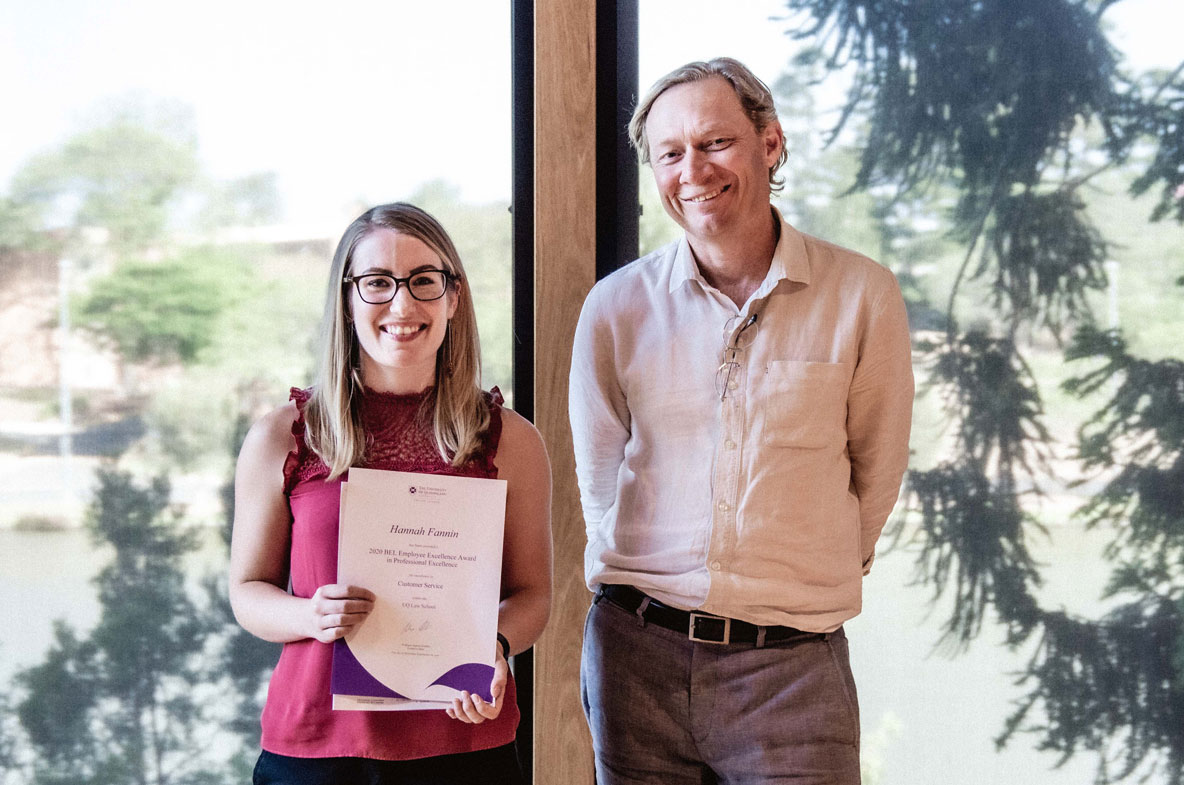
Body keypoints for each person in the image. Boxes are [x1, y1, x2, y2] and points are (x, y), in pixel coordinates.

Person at [569, 57, 914, 784]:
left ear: (770, 143)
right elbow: (600, 480)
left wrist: (794, 580)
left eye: (714, 142)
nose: (692, 169)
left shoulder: (862, 294)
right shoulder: (615, 308)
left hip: (792, 670)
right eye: (670, 153)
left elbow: (876, 471)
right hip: (637, 660)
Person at [230, 202, 552, 785]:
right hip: (314, 750)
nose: (402, 304)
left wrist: (496, 646)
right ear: (347, 299)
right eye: (377, 283)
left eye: (424, 281)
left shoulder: (512, 440)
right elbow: (247, 593)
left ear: (453, 298)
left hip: (464, 743)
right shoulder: (285, 434)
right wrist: (310, 614)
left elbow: (533, 596)